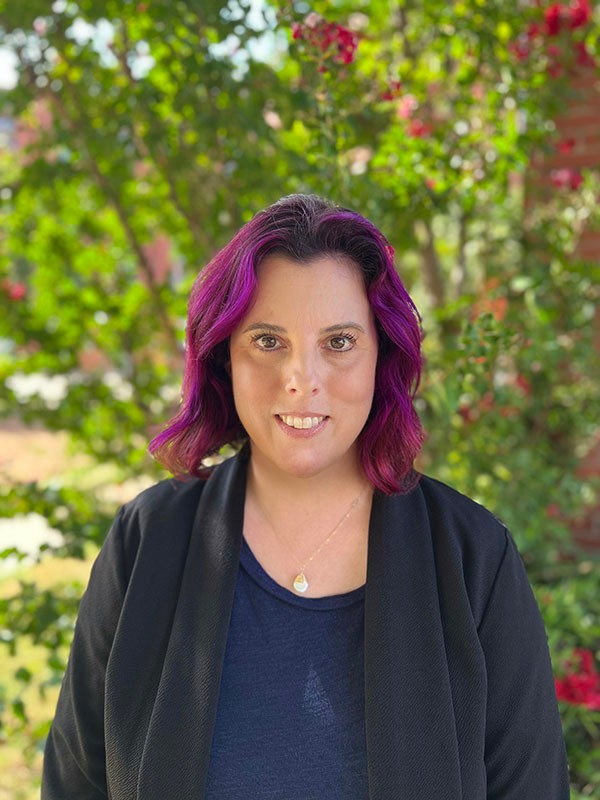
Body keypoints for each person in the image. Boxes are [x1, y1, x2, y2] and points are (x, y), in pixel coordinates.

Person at [42, 194, 570, 799]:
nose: (301, 378)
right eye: (268, 341)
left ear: (382, 357)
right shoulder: (146, 543)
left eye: (339, 342)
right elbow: (73, 786)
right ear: (225, 360)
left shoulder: (475, 558)